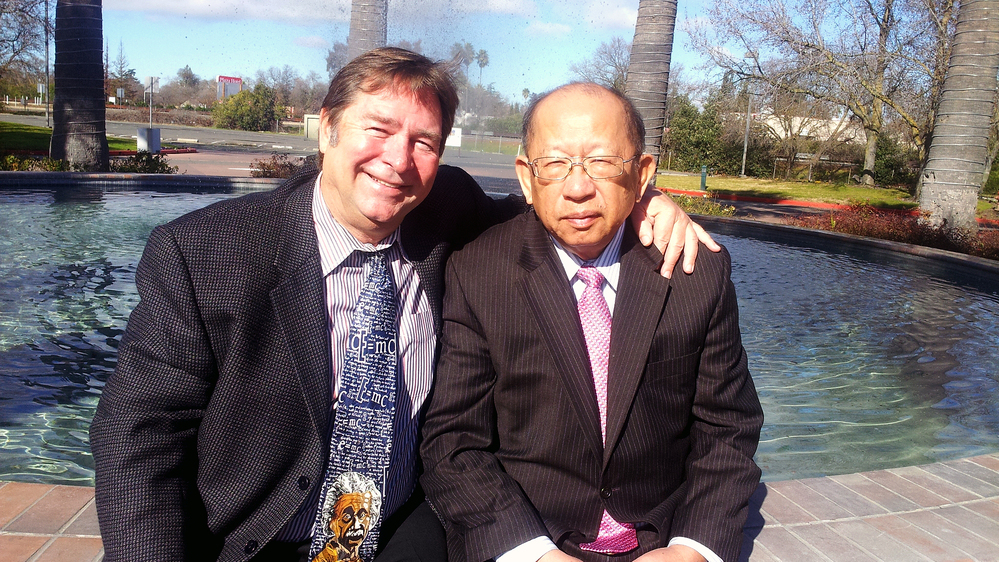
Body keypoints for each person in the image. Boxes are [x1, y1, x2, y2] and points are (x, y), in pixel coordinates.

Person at [90, 49, 714, 562]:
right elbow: (135, 434)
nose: (398, 160)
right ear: (328, 125)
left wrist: (642, 205)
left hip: (400, 522)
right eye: (379, 129)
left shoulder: (448, 212)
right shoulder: (205, 253)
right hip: (263, 532)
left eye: (424, 141)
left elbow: (558, 208)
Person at [420, 83, 764, 562]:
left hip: (661, 536)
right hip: (532, 533)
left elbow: (727, 429)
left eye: (602, 162)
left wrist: (693, 548)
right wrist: (530, 552)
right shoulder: (478, 272)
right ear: (526, 176)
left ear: (642, 173)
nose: (577, 187)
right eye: (555, 163)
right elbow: (454, 441)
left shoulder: (693, 269)